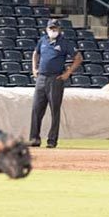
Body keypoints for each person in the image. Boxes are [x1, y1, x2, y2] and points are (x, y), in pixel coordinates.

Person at [29, 19, 84, 148]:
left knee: (55, 110)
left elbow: (78, 57)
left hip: (55, 78)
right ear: (47, 29)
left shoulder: (64, 43)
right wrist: (34, 68)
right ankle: (34, 139)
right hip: (41, 77)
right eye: (51, 28)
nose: (53, 31)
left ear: (60, 30)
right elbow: (35, 53)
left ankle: (52, 140)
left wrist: (68, 73)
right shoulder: (43, 40)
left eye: (55, 28)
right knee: (36, 109)